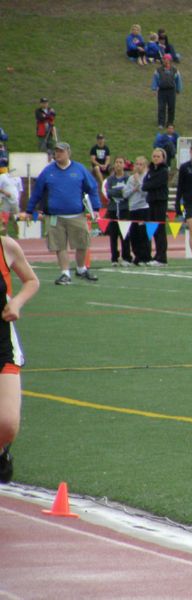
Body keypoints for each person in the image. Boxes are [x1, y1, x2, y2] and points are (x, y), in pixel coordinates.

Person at [20, 141, 100, 285]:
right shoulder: (48, 171)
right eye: (56, 151)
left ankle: (81, 269)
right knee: (59, 246)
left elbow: (92, 188)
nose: (58, 154)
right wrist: (29, 210)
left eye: (61, 151)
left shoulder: (79, 169)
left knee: (82, 244)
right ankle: (65, 273)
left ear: (68, 152)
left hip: (77, 215)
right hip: (54, 216)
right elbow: (37, 192)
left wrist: (96, 208)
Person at [0, 236, 40, 484]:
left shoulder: (6, 246)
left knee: (8, 424)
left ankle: (2, 451)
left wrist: (16, 302)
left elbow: (32, 281)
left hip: (2, 341)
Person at [142, 147, 170, 266]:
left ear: (163, 158)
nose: (156, 158)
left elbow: (154, 184)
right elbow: (145, 185)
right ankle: (157, 254)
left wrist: (150, 183)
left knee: (160, 230)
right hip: (151, 201)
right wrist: (149, 183)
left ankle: (162, 257)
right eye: (154, 156)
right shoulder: (151, 170)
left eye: (158, 156)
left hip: (160, 201)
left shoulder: (164, 171)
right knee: (153, 229)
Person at [122, 156, 153, 265]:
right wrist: (133, 189)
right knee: (134, 234)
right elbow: (125, 194)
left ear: (144, 166)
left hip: (143, 208)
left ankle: (146, 257)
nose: (138, 166)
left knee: (144, 234)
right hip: (133, 208)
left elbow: (145, 192)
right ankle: (137, 256)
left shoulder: (147, 177)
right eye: (137, 164)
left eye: (141, 164)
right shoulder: (131, 178)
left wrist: (138, 183)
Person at [104, 156, 133, 266]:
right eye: (116, 162)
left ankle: (126, 257)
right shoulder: (110, 179)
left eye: (120, 162)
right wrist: (120, 192)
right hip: (112, 209)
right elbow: (109, 193)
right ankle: (114, 258)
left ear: (124, 165)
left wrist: (119, 192)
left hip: (124, 209)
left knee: (125, 234)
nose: (118, 164)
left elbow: (127, 193)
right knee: (113, 235)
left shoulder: (127, 178)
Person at [150, 54, 183, 128]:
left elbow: (178, 80)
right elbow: (155, 79)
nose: (165, 61)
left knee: (171, 107)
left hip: (171, 91)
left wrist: (178, 89)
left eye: (167, 59)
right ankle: (161, 123)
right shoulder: (158, 70)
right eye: (164, 59)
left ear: (170, 60)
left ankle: (170, 122)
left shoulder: (175, 70)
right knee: (161, 107)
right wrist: (154, 89)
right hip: (162, 91)